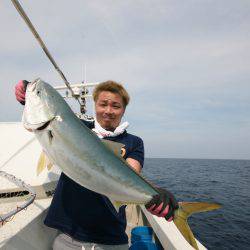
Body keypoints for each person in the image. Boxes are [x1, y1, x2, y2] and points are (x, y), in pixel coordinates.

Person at [15, 80, 179, 250]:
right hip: (69, 234)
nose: (108, 110)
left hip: (112, 237)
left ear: (123, 110)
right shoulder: (77, 126)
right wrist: (28, 100)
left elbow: (131, 173)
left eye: (116, 106)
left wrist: (155, 194)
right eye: (103, 104)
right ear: (95, 106)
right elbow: (35, 124)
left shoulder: (133, 142)